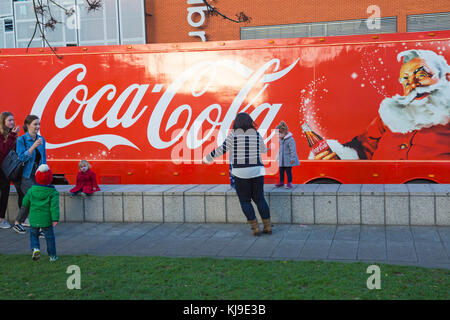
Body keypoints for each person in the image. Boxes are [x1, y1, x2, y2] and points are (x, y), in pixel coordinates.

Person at [312, 49, 450, 161]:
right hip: (382, 183)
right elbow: (363, 147)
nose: (413, 85)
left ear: (445, 77)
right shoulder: (390, 114)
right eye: (406, 81)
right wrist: (336, 156)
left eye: (421, 75)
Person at [203, 112, 271, 236]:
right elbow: (263, 150)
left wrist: (208, 157)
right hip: (257, 170)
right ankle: (267, 226)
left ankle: (255, 228)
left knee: (245, 201)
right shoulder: (256, 135)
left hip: (240, 172)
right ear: (250, 122)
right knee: (260, 199)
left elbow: (222, 149)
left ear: (237, 123)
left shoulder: (233, 135)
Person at [12, 115, 47, 234]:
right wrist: (33, 146)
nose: (38, 127)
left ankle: (17, 223)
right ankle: (41, 228)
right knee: (37, 198)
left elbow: (43, 158)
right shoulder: (21, 140)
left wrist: (45, 172)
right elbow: (21, 157)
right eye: (35, 124)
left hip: (38, 174)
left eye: (39, 124)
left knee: (28, 200)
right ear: (28, 126)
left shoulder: (41, 139)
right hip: (25, 176)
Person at [22, 164, 59, 262]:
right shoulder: (53, 192)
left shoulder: (31, 190)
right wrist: (55, 219)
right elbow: (54, 207)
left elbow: (25, 202)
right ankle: (52, 256)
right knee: (49, 237)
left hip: (33, 219)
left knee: (33, 235)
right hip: (46, 219)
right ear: (50, 178)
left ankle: (36, 249)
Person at [0, 112, 20, 229]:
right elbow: (3, 151)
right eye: (9, 120)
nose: (12, 122)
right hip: (1, 168)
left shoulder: (10, 134)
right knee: (4, 191)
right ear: (3, 122)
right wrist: (13, 136)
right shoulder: (2, 135)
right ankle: (1, 219)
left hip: (5, 168)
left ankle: (1, 218)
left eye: (13, 120)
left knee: (5, 191)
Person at [274, 121, 300, 189]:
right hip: (282, 159)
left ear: (284, 132)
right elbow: (281, 149)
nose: (278, 136)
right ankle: (281, 182)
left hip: (288, 159)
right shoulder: (281, 139)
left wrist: (293, 159)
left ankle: (289, 183)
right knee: (281, 171)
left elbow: (293, 150)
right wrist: (277, 156)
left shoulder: (290, 140)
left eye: (279, 134)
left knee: (288, 171)